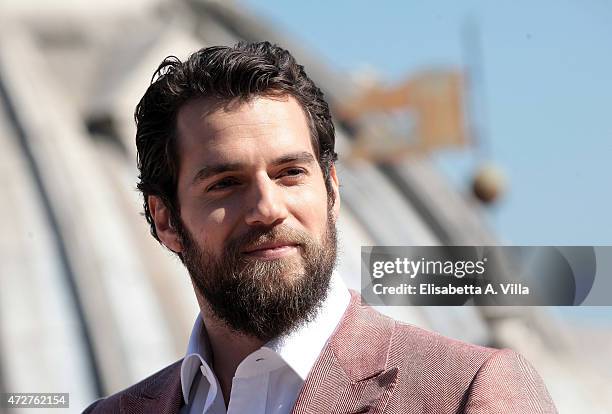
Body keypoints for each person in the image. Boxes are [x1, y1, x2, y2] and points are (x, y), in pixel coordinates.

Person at [84, 41, 557, 414]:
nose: (268, 208)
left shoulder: (467, 393)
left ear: (331, 189)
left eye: (291, 173)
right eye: (226, 184)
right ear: (166, 219)